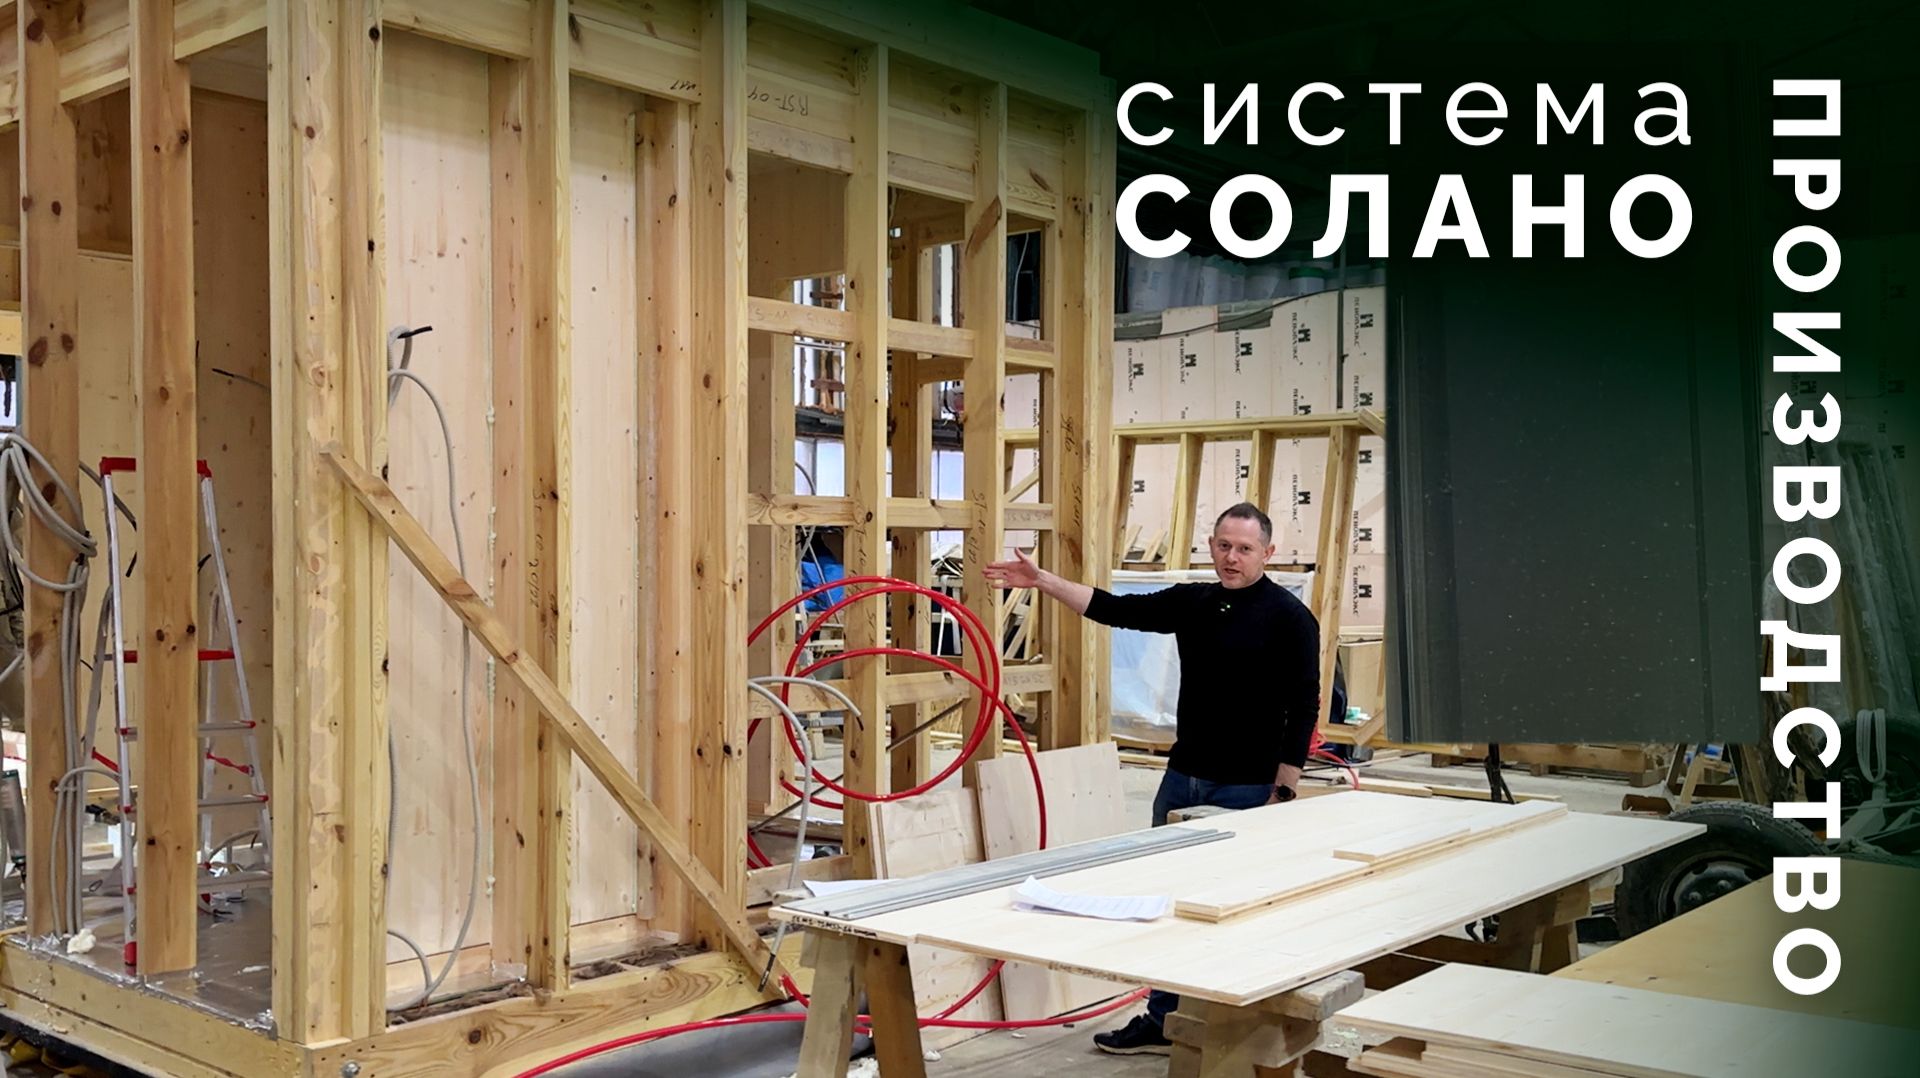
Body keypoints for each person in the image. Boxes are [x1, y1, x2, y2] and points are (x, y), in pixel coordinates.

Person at [983, 501, 1321, 1056]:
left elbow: (1304, 704)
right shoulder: (1196, 602)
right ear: (1211, 546)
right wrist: (1043, 581)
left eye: (1244, 549)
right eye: (1223, 545)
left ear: (1268, 552)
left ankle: (1233, 1024)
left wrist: (1284, 789)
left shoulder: (1289, 617)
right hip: (1183, 777)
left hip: (1247, 785)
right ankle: (1164, 1020)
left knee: (1228, 904)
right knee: (1167, 903)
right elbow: (1113, 608)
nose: (1231, 557)